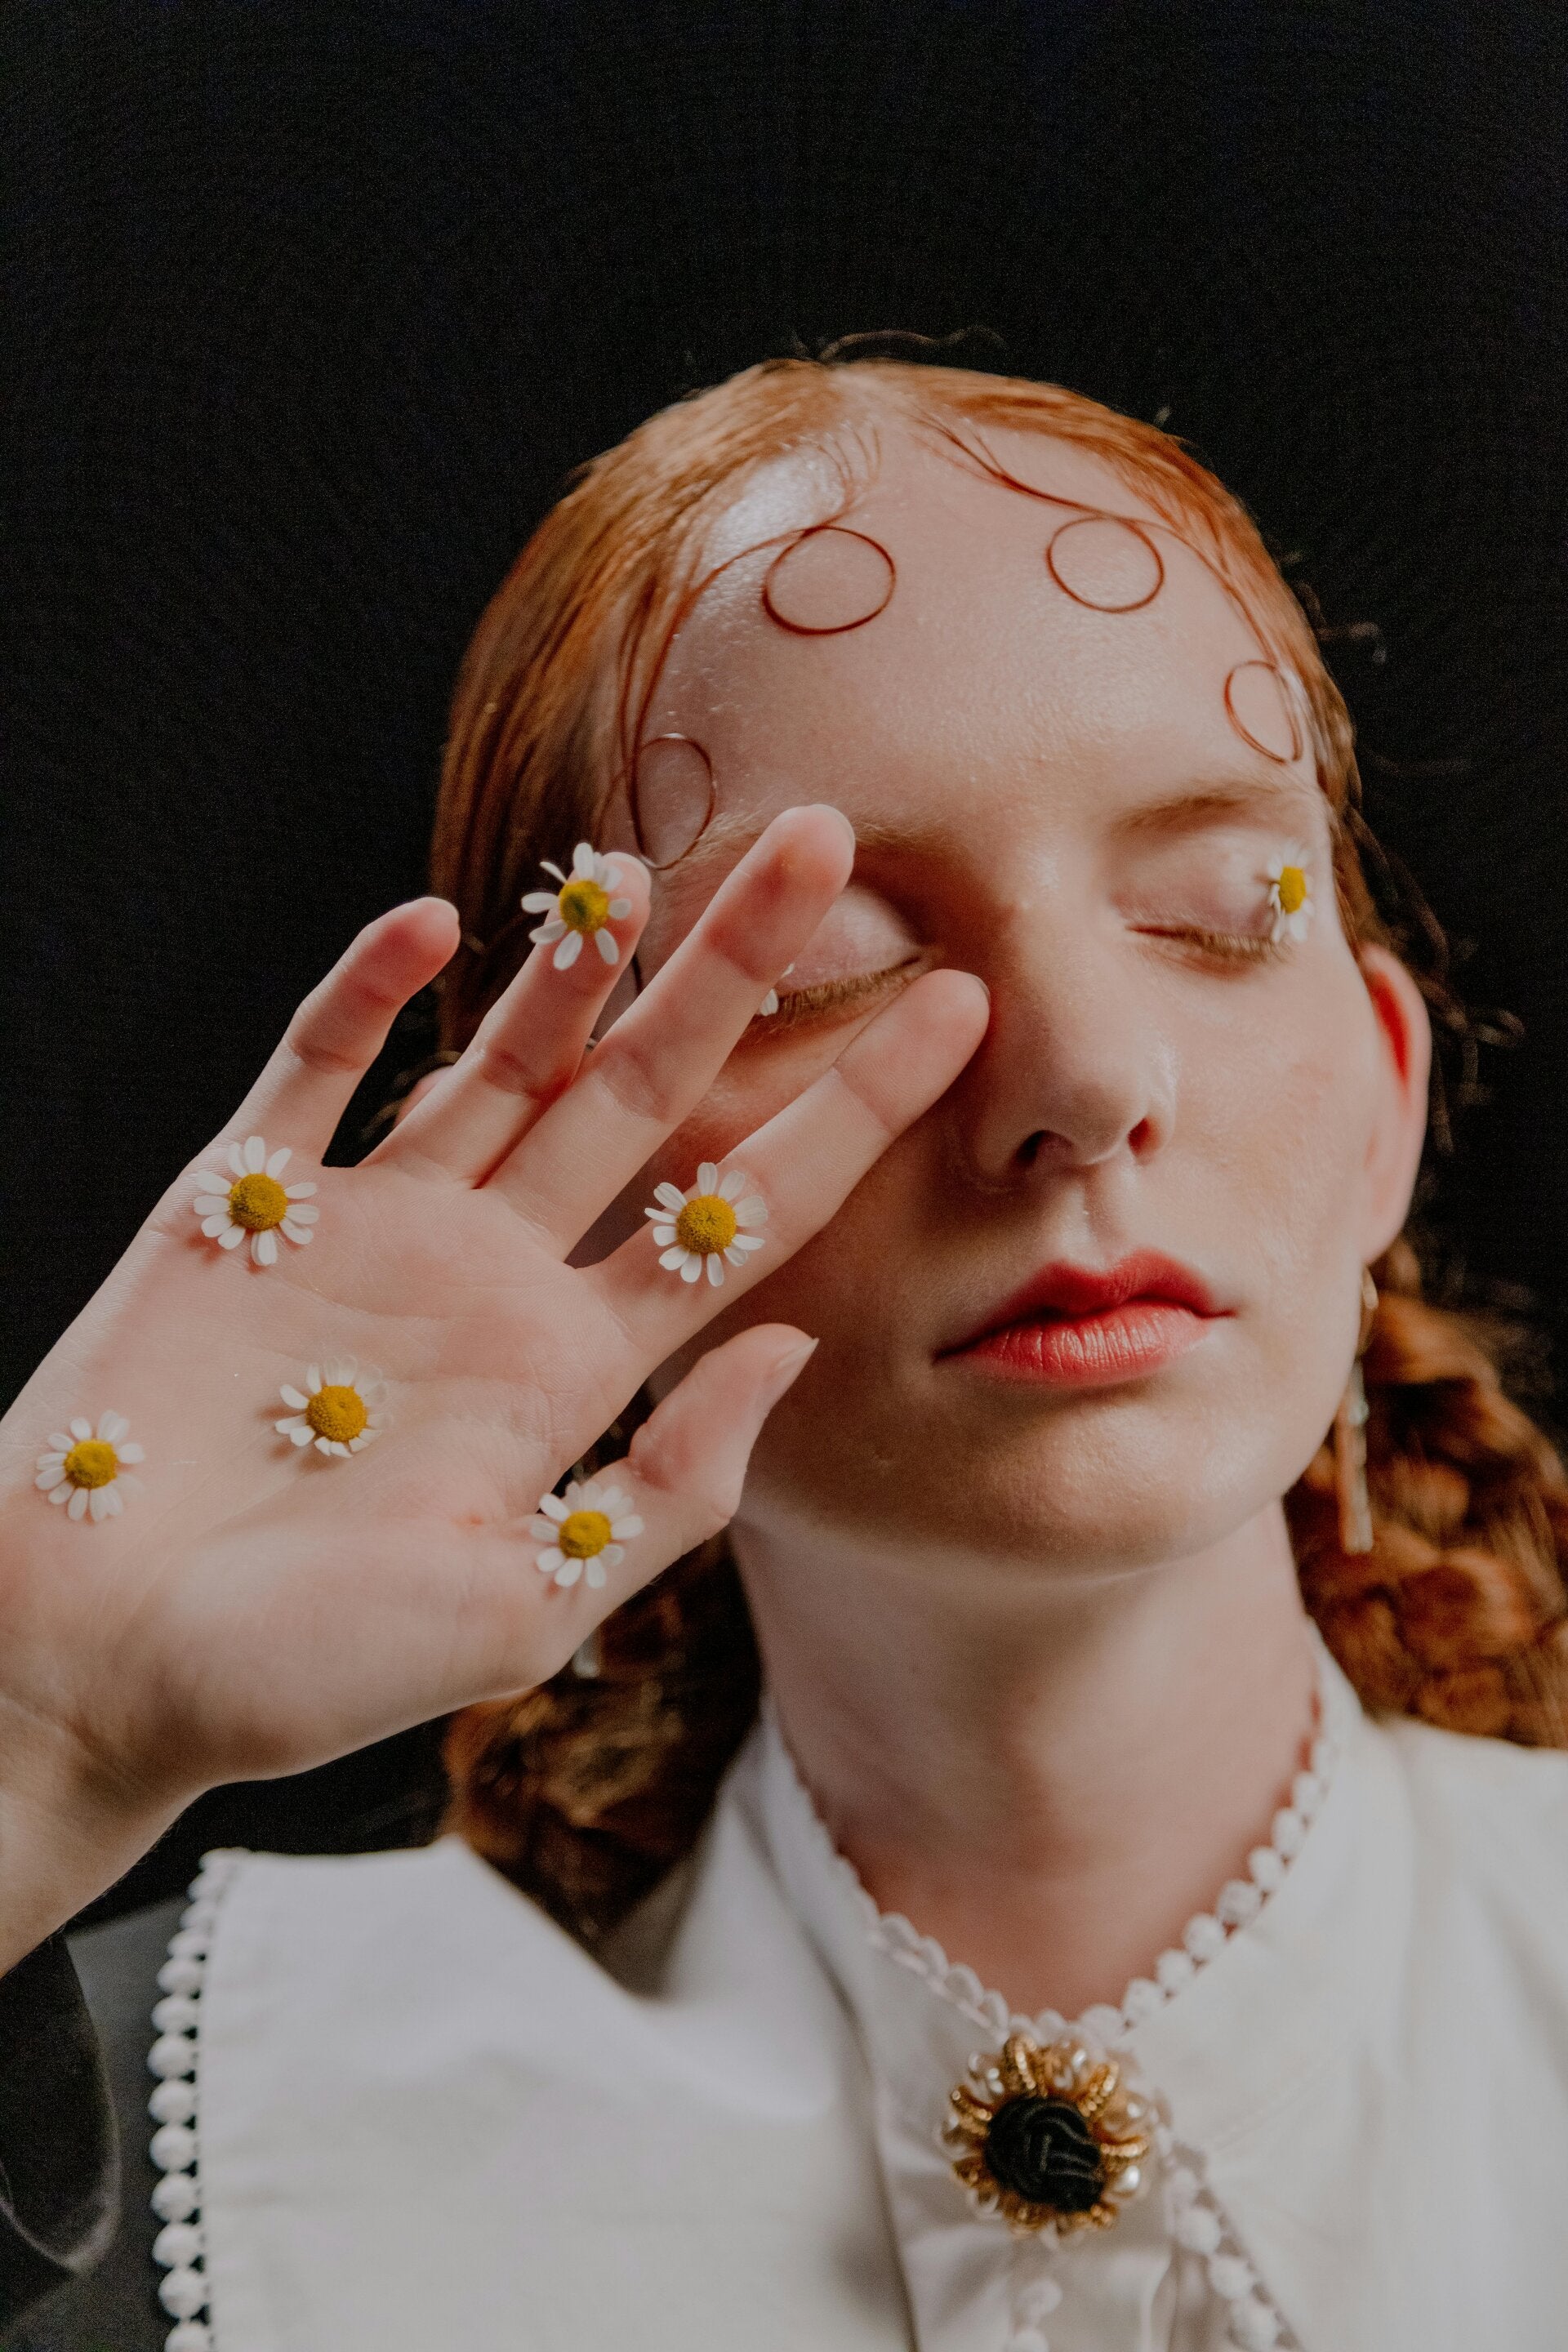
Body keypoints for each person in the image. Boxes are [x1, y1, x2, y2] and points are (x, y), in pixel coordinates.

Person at [4, 359, 1568, 2352]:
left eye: (1220, 903)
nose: (1085, 1079)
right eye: (825, 965)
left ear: (1384, 1096)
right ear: (551, 1170)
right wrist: (34, 1733)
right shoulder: (188, 2139)